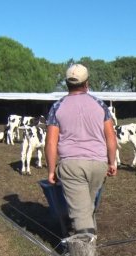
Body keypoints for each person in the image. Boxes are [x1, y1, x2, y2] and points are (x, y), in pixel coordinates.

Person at [45, 63, 117, 235]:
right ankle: (88, 250)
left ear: (67, 83)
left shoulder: (57, 107)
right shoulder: (100, 104)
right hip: (98, 165)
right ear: (87, 83)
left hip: (72, 166)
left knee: (81, 215)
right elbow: (111, 137)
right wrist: (112, 162)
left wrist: (50, 170)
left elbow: (50, 143)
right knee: (87, 208)